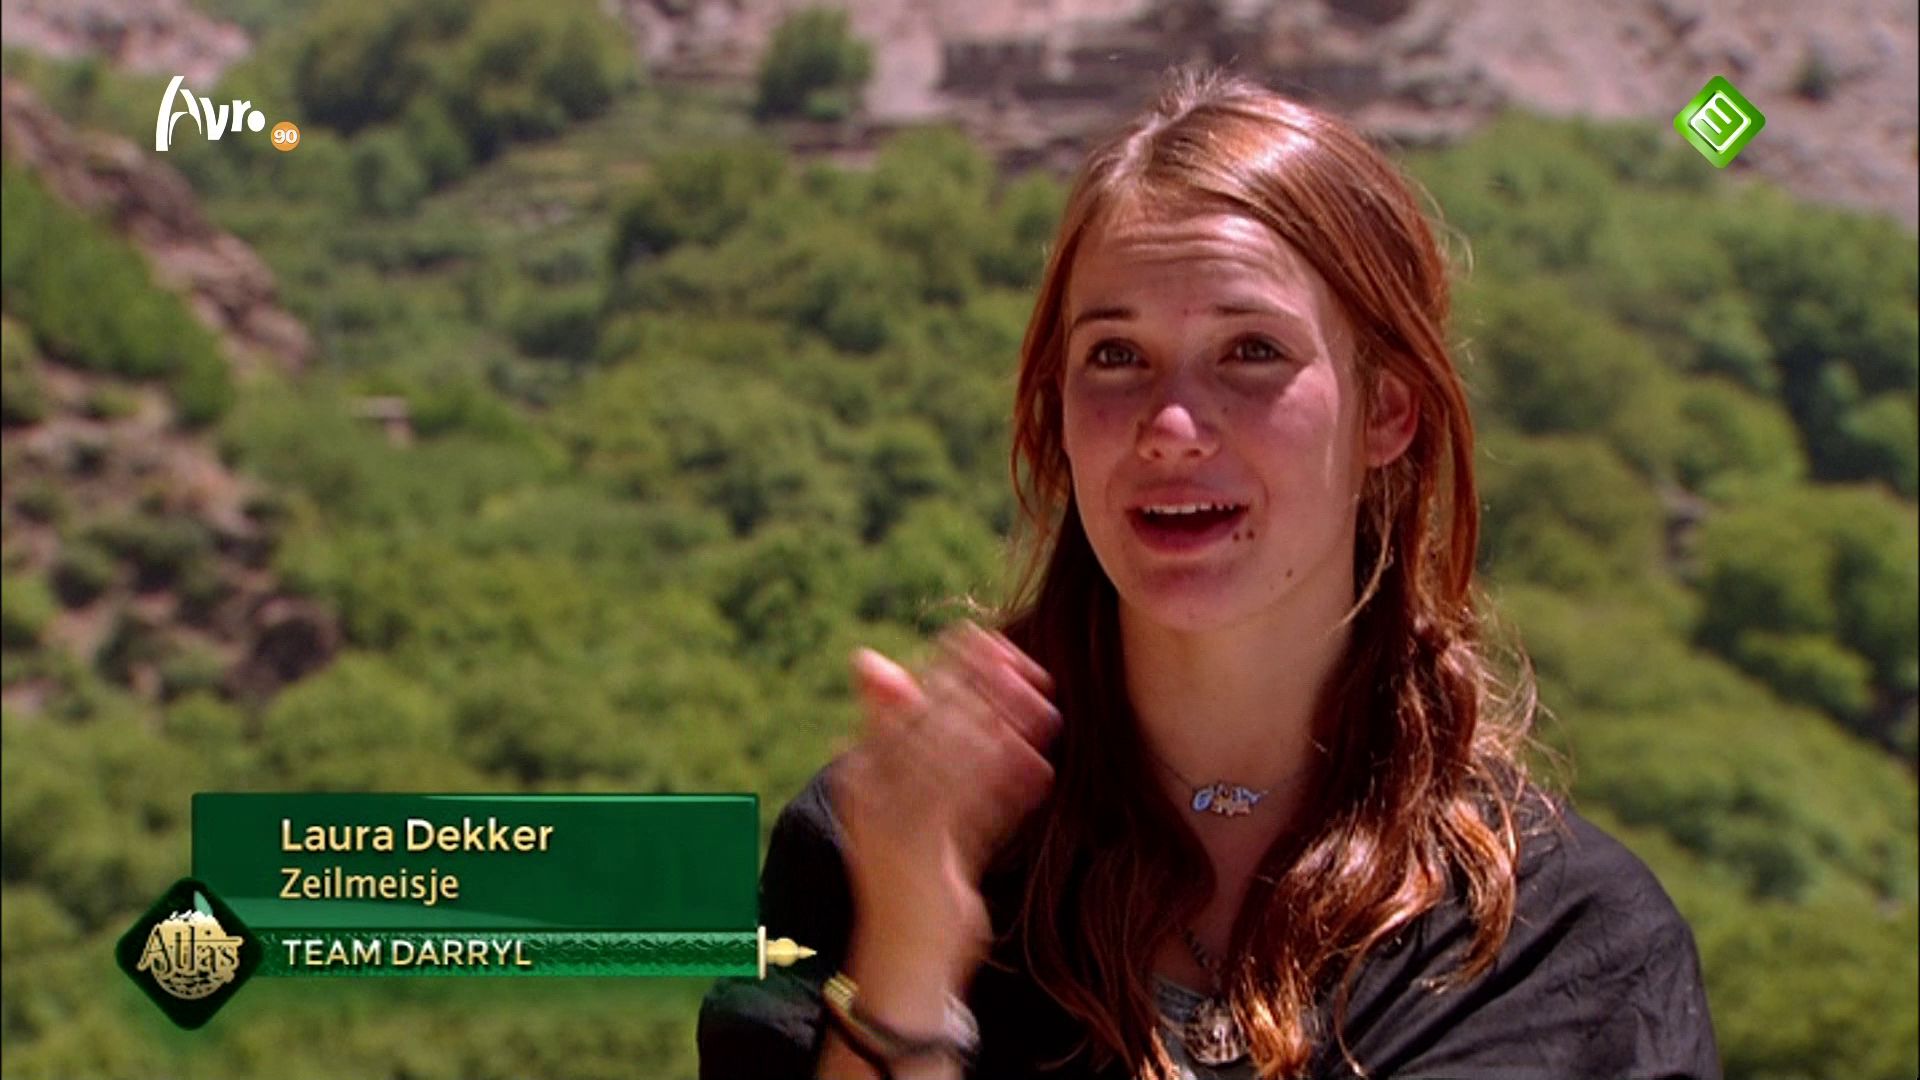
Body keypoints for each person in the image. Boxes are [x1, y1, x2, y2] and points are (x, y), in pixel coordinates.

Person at [699, 68, 1720, 1080]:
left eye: (1251, 351)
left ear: (1386, 411)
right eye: (1115, 356)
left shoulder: (1569, 953)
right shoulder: (877, 853)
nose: (1172, 426)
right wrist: (909, 966)